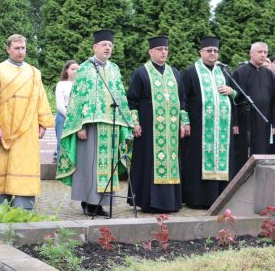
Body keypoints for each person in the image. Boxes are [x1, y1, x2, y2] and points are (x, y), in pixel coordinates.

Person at [56, 30, 133, 216]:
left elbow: (120, 95)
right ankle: (89, 202)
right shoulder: (85, 68)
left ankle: (101, 203)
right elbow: (77, 99)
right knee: (89, 165)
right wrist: (79, 125)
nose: (108, 48)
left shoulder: (114, 68)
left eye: (110, 45)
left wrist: (126, 122)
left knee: (108, 166)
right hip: (91, 126)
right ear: (95, 47)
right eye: (104, 45)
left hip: (111, 124)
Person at [0, 34, 54, 210]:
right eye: (17, 48)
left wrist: (43, 123)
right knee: (4, 166)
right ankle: (1, 207)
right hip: (5, 129)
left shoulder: (34, 72)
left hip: (28, 130)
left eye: (23, 48)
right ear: (8, 49)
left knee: (25, 165)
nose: (20, 51)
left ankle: (24, 207)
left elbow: (41, 98)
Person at [127, 36, 189, 213]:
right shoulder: (141, 73)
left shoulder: (175, 73)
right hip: (148, 127)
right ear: (151, 52)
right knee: (148, 163)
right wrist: (135, 123)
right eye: (160, 49)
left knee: (172, 163)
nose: (163, 52)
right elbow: (132, 100)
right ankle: (149, 202)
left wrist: (184, 123)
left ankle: (170, 202)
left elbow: (182, 99)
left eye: (166, 49)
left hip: (171, 130)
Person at [181, 37, 235, 208]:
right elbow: (182, 99)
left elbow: (238, 96)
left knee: (222, 160)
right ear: (201, 52)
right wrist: (185, 121)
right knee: (197, 161)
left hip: (222, 129)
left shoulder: (224, 72)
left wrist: (231, 91)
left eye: (215, 51)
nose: (213, 54)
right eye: (209, 50)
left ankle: (221, 198)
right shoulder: (191, 72)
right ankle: (198, 200)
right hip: (199, 127)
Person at [231, 42, 275, 176]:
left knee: (262, 151)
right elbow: (233, 99)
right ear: (251, 53)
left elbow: (273, 100)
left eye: (265, 52)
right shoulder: (240, 72)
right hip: (245, 120)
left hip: (264, 119)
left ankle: (260, 178)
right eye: (259, 52)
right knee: (243, 154)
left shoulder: (269, 74)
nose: (263, 55)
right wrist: (234, 122)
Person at [54, 60, 79, 160]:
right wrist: (71, 117)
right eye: (73, 69)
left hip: (79, 117)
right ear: (66, 70)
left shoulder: (83, 85)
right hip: (63, 116)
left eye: (77, 69)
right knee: (63, 143)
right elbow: (60, 105)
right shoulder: (61, 84)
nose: (75, 71)